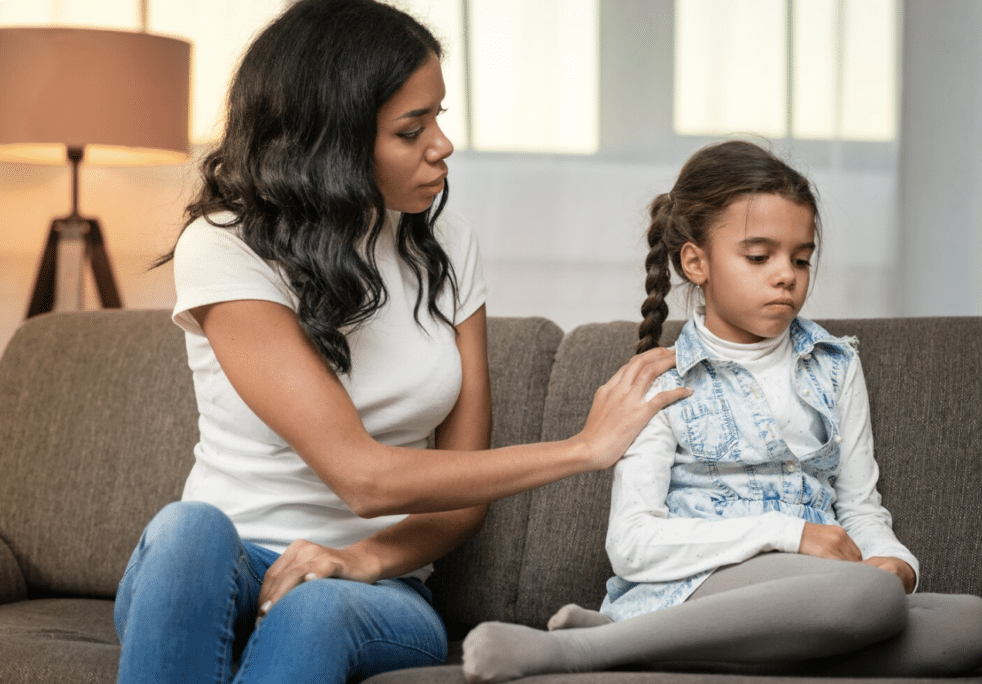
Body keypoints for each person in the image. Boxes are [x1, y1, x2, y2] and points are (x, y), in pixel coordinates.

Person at [112, 1, 690, 683]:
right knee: (188, 531)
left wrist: (364, 560)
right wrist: (580, 450)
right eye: (412, 129)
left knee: (320, 608)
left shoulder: (446, 248)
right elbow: (360, 476)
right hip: (221, 571)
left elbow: (461, 499)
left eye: (438, 117)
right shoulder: (225, 245)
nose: (441, 144)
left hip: (380, 587)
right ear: (331, 142)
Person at [461, 140, 982, 682]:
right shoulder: (661, 380)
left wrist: (896, 563)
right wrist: (789, 534)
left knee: (970, 622)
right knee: (866, 596)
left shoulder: (837, 366)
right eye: (759, 256)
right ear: (696, 261)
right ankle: (583, 652)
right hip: (704, 584)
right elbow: (631, 546)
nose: (786, 275)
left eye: (801, 258)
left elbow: (860, 508)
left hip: (828, 592)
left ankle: (701, 650)